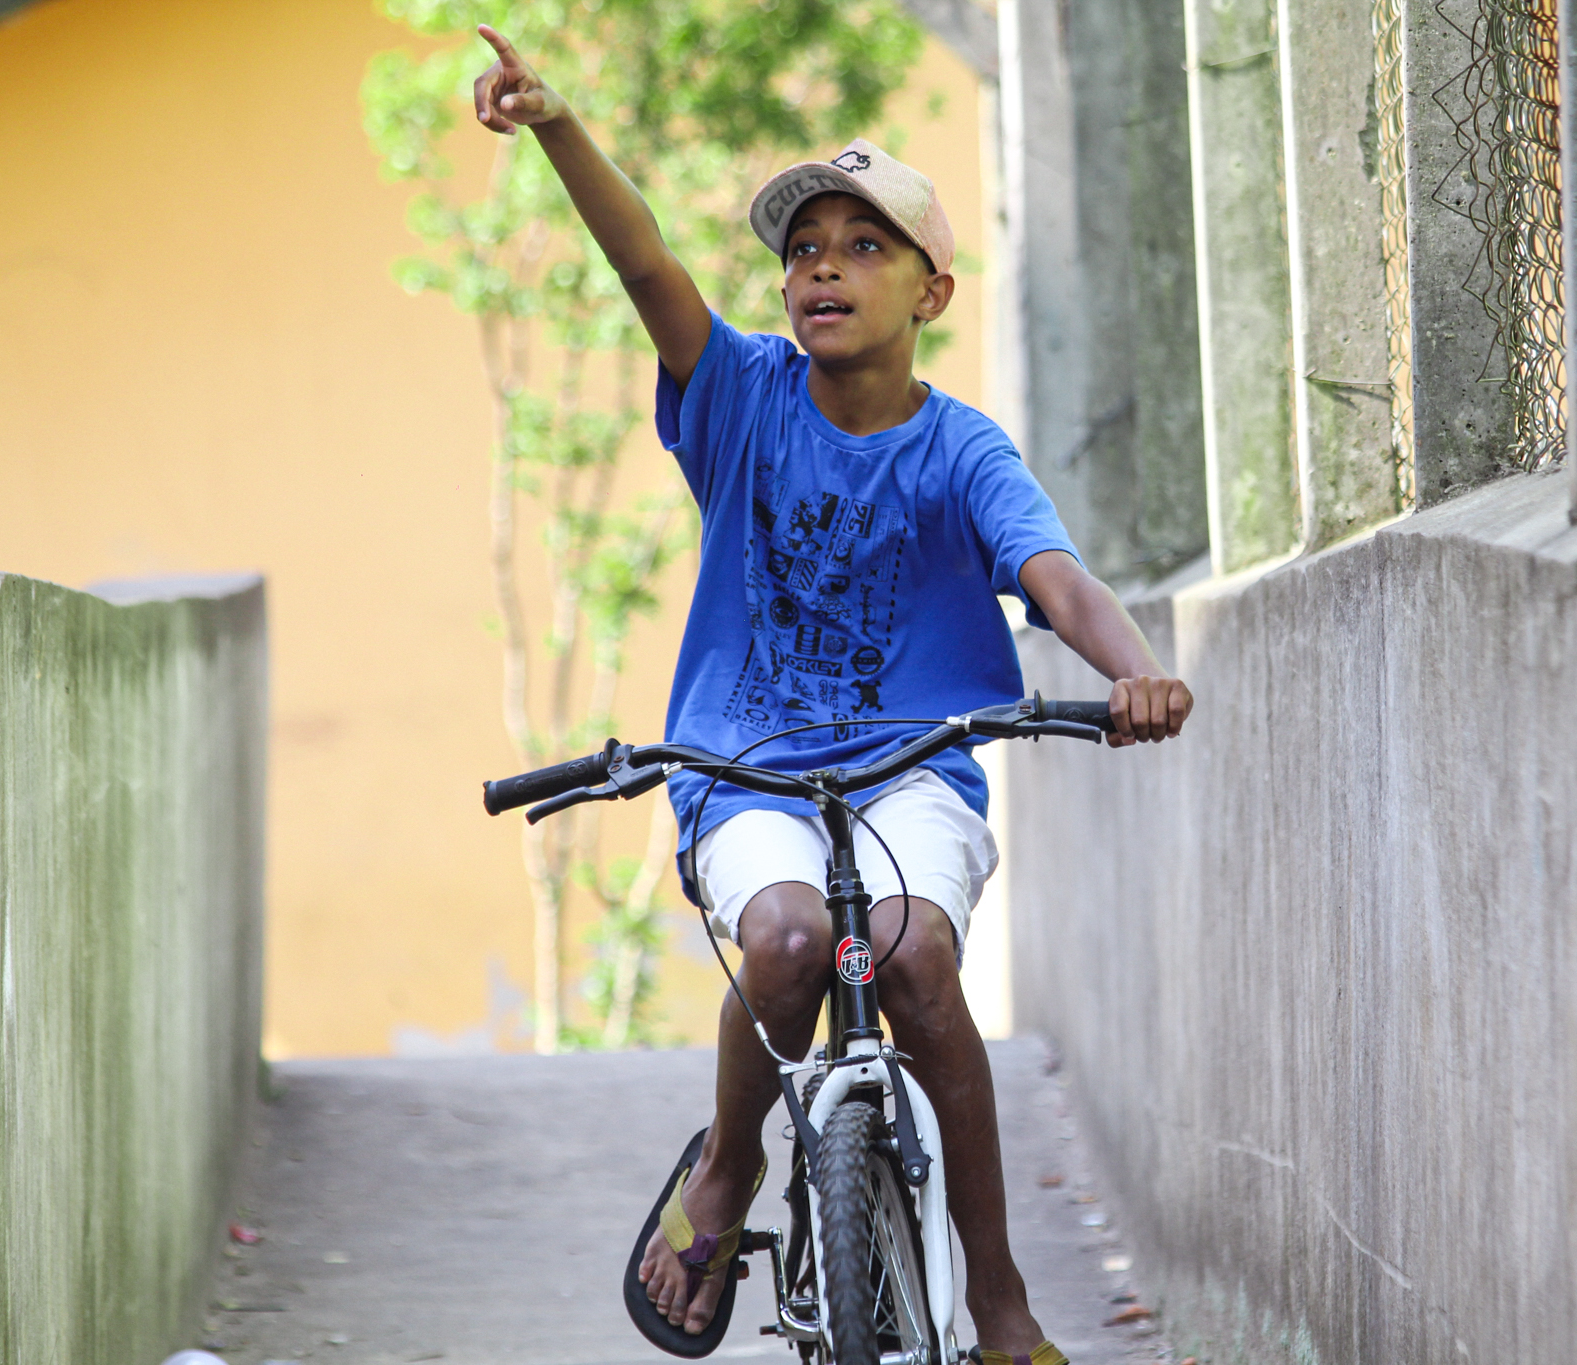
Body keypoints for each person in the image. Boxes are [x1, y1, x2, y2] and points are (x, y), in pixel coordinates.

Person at [470, 25, 1194, 1365]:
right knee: (793, 938)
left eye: (864, 246)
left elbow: (1055, 574)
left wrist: (1135, 671)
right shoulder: (741, 396)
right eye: (804, 248)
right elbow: (645, 265)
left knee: (914, 957)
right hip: (746, 763)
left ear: (932, 292)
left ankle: (997, 1294)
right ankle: (728, 1168)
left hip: (912, 770)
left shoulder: (963, 450)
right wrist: (559, 123)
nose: (823, 267)